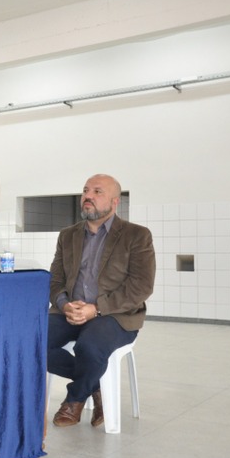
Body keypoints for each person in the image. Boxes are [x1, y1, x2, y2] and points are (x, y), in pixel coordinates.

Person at [48, 174, 155, 428]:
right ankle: (95, 385)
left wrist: (95, 309)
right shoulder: (68, 235)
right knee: (28, 340)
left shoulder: (137, 235)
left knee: (89, 347)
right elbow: (54, 280)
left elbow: (141, 286)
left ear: (114, 201)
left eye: (97, 192)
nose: (88, 196)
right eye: (86, 190)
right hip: (69, 311)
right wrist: (64, 304)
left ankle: (74, 399)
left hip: (115, 315)